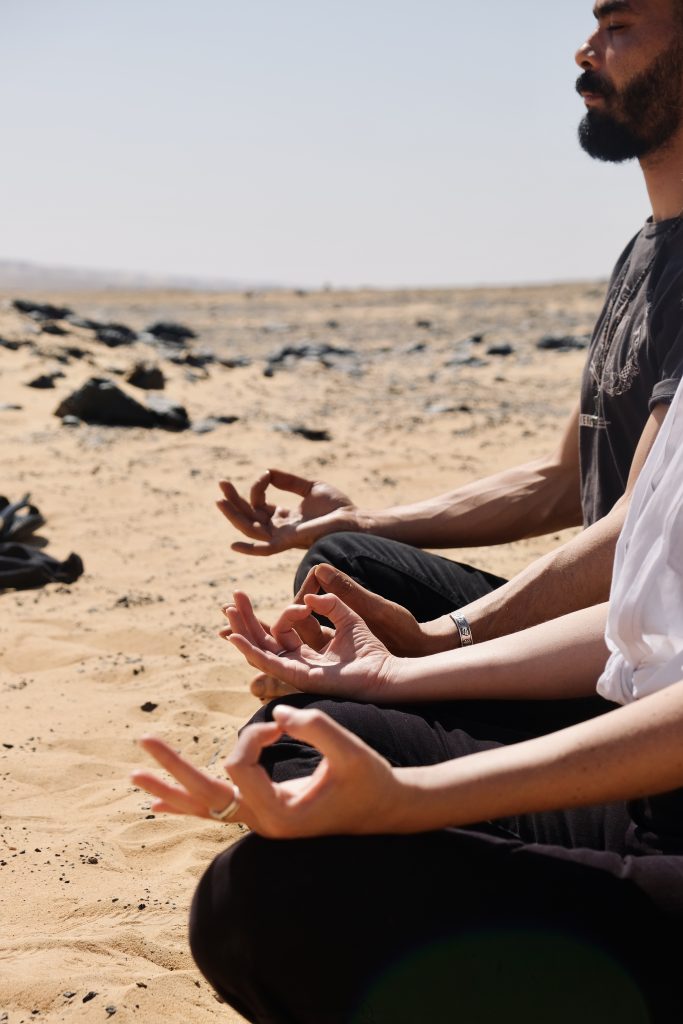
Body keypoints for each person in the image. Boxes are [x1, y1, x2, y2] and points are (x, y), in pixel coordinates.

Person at [134, 365, 683, 1023]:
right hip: (652, 785)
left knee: (260, 904)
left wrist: (412, 800)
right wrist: (401, 670)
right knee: (300, 732)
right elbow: (648, 616)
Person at [216, 0, 683, 682]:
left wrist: (442, 639)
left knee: (324, 706)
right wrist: (365, 519)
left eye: (615, 29)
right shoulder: (645, 251)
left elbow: (630, 535)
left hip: (640, 660)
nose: (584, 54)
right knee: (343, 562)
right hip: (599, 623)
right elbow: (558, 483)